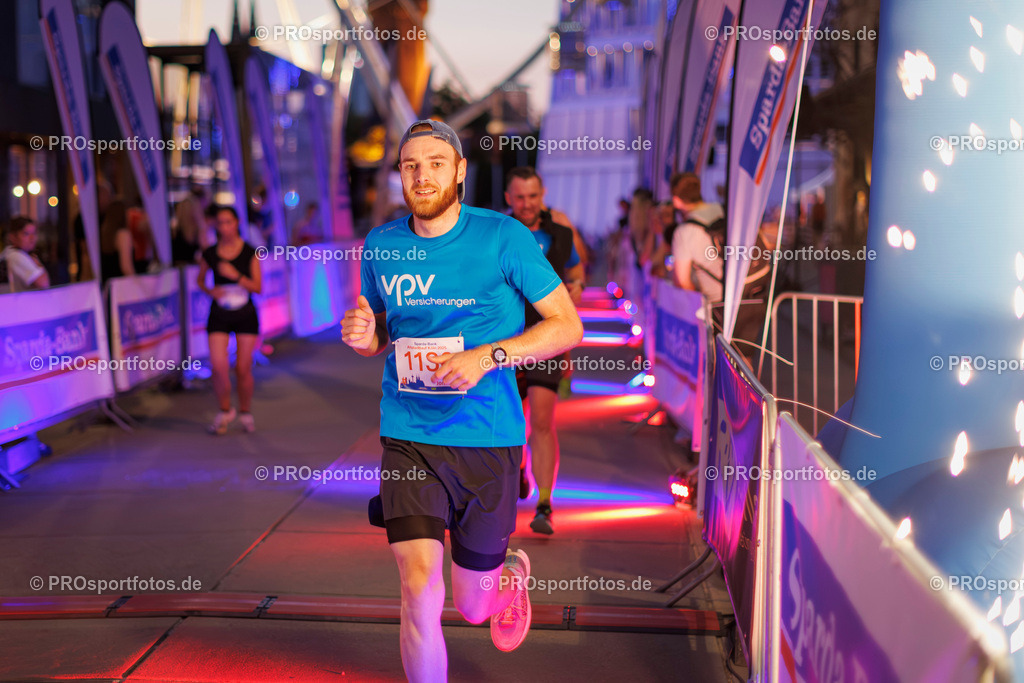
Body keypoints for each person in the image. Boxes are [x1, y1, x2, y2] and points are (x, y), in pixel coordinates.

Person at [342, 119, 582, 679]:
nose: (422, 175)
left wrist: (486, 357)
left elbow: (566, 327)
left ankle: (507, 581)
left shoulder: (502, 237)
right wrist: (364, 337)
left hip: (487, 436)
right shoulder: (382, 246)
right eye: (410, 165)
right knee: (418, 586)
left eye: (434, 163)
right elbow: (380, 332)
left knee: (473, 607)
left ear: (459, 171)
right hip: (410, 436)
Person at [504, 166, 584, 535]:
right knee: (508, 421)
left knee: (541, 421)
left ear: (543, 194)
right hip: (502, 340)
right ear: (508, 198)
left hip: (547, 338)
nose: (526, 203)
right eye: (519, 197)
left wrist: (576, 289)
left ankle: (545, 504)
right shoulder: (494, 233)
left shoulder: (560, 234)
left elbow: (576, 272)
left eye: (533, 196)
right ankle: (517, 472)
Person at [197, 206, 262, 435]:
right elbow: (200, 280)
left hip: (245, 312)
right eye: (220, 223)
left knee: (243, 368)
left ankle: (245, 412)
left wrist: (235, 276)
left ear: (237, 223)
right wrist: (210, 290)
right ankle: (225, 410)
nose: (224, 227)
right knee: (218, 366)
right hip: (220, 313)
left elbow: (258, 287)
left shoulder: (249, 252)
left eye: (229, 222)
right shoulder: (211, 253)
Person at [1, 216, 50, 292]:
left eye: (34, 233)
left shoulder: (7, 253)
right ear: (12, 237)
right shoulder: (17, 256)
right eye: (26, 234)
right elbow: (44, 284)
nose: (32, 238)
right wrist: (37, 263)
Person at [99, 199, 134, 284]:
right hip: (122, 286)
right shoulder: (123, 234)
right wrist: (137, 284)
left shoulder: (104, 233)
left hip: (109, 284)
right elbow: (126, 267)